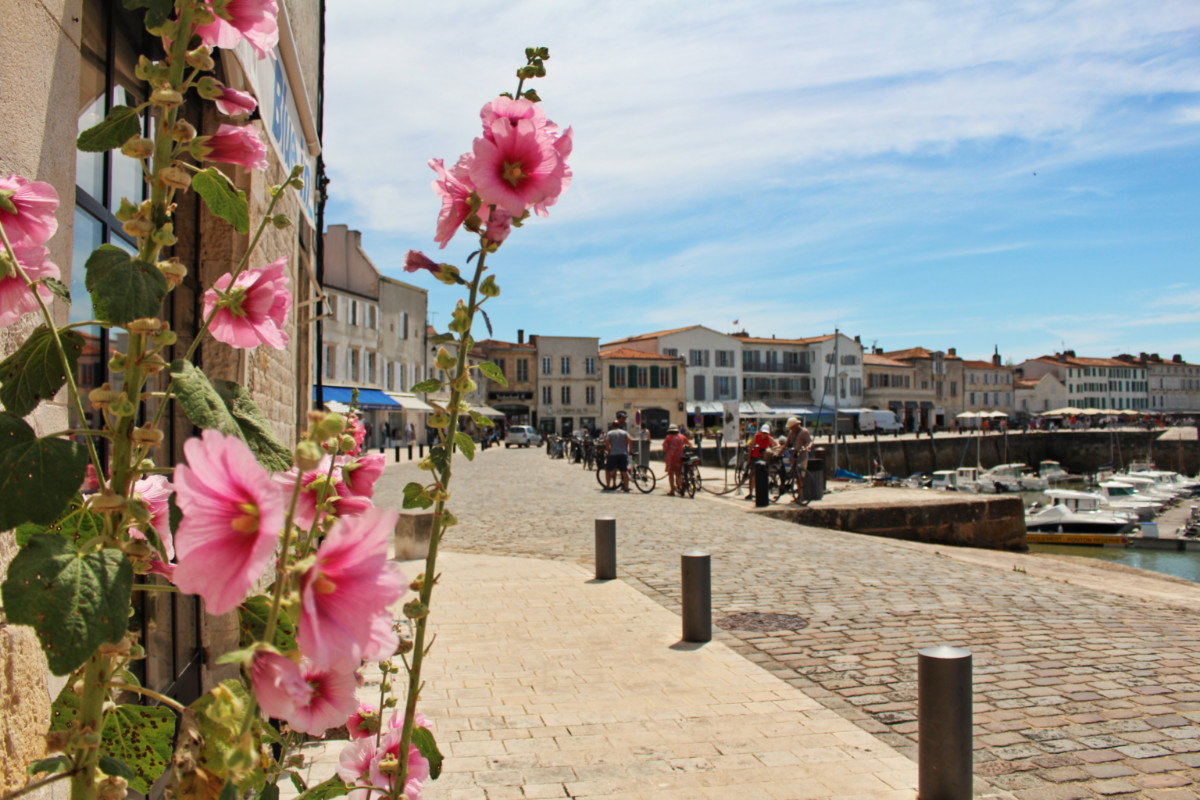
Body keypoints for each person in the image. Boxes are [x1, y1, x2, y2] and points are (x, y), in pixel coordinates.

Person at [782, 416, 813, 502]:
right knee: (796, 477)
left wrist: (808, 447)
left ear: (796, 425)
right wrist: (779, 451)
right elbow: (786, 444)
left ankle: (802, 495)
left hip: (802, 456)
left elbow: (809, 442)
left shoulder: (804, 432)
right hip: (793, 457)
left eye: (792, 427)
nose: (791, 429)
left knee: (800, 477)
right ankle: (798, 495)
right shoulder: (791, 433)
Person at [745, 422, 775, 501]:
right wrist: (749, 459)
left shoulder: (769, 438)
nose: (764, 434)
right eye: (763, 433)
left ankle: (764, 493)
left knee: (765, 476)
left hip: (764, 458)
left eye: (766, 433)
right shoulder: (756, 436)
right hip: (755, 457)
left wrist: (770, 449)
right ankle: (751, 493)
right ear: (761, 432)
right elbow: (751, 446)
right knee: (753, 475)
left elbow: (777, 444)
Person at [604, 420, 635, 492]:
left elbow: (607, 442)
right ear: (619, 426)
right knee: (624, 471)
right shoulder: (625, 433)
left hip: (613, 454)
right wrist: (630, 450)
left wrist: (608, 451)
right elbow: (630, 441)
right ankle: (626, 487)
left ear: (612, 426)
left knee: (608, 469)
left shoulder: (610, 433)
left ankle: (608, 485)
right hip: (623, 454)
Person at [662, 423, 688, 495]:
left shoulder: (668, 438)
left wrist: (667, 451)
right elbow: (689, 444)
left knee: (671, 474)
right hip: (679, 457)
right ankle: (681, 487)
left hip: (670, 457)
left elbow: (664, 447)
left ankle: (672, 491)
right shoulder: (682, 437)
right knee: (678, 474)